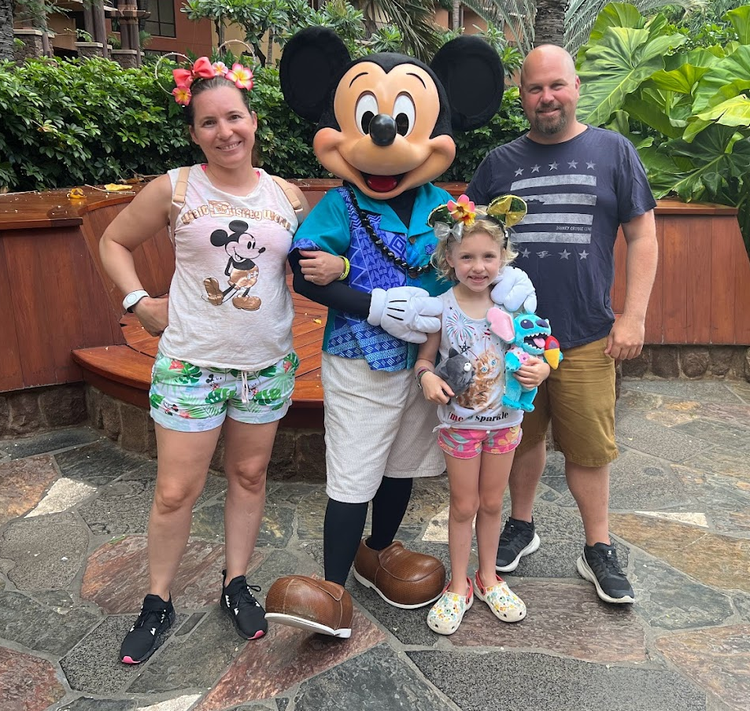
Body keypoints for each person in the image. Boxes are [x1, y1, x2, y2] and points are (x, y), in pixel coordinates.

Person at [264, 28, 536, 639]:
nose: (385, 138)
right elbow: (305, 273)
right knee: (355, 470)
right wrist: (367, 300)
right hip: (359, 358)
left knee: (402, 466)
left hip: (431, 367)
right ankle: (333, 585)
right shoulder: (340, 205)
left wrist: (511, 291)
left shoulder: (447, 208)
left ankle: (378, 551)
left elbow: (478, 264)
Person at [99, 58, 318, 663]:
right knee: (175, 491)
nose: (225, 131)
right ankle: (158, 600)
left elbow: (312, 265)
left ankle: (235, 582)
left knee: (249, 477)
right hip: (191, 364)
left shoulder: (287, 196)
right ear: (195, 132)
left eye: (235, 118)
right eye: (209, 122)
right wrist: (138, 300)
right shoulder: (175, 188)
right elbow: (112, 240)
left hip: (265, 365)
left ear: (253, 122)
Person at [467, 44, 659, 604]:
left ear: (576, 87)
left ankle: (596, 547)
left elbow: (643, 235)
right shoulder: (498, 164)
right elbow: (463, 234)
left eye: (556, 85)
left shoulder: (613, 151)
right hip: (509, 340)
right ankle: (520, 528)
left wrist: (634, 315)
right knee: (519, 439)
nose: (546, 97)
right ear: (520, 95)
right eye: (534, 88)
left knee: (588, 448)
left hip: (586, 334)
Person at [415, 198, 550, 634]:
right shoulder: (441, 308)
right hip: (460, 428)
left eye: (488, 256)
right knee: (463, 505)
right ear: (448, 259)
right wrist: (427, 379)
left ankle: (488, 577)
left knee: (493, 503)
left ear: (503, 259)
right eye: (467, 257)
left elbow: (542, 349)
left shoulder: (515, 306)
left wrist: (543, 368)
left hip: (505, 424)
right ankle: (458, 584)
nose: (478, 266)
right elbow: (425, 360)